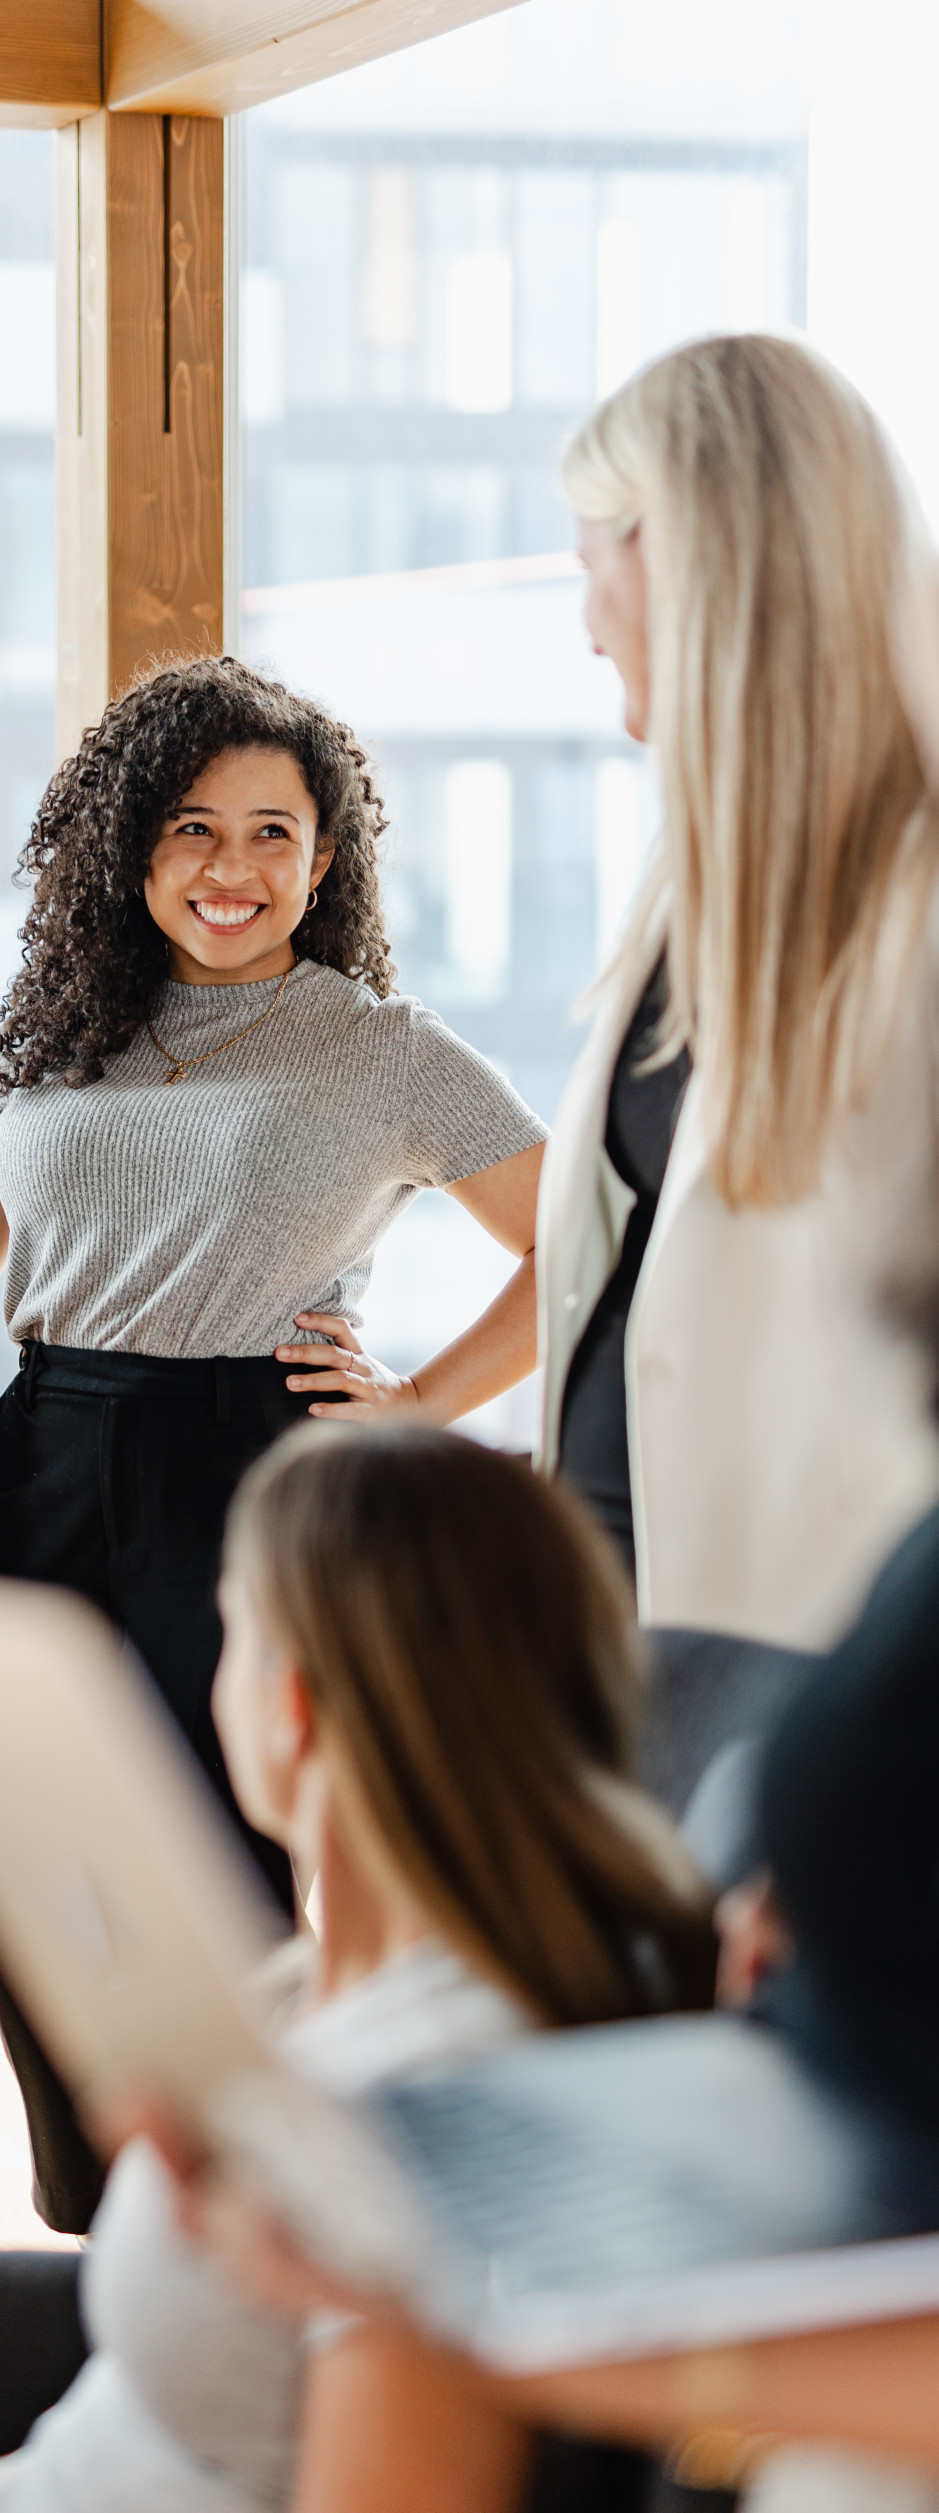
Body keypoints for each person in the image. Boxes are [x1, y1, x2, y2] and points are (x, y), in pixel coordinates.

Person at [0, 1426, 714, 2513]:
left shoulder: (427, 2123)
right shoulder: (325, 1996)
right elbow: (229, 2434)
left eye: (232, 1624)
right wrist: (0, 2486)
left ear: (287, 1699)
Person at [0, 653, 548, 2227]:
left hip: (251, 1470)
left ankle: (232, 2251)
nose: (233, 871)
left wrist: (418, 1407)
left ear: (325, 855)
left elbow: (583, 1245)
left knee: (214, 1882)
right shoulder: (47, 1030)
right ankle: (96, 2242)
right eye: (192, 829)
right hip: (45, 1461)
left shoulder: (376, 1048)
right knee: (27, 1884)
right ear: (126, 843)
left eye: (273, 835)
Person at [538, 332, 939, 1811]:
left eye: (597, 556)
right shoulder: (688, 889)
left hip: (817, 1698)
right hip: (630, 1659)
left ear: (699, 560)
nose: (584, 616)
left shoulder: (916, 909)